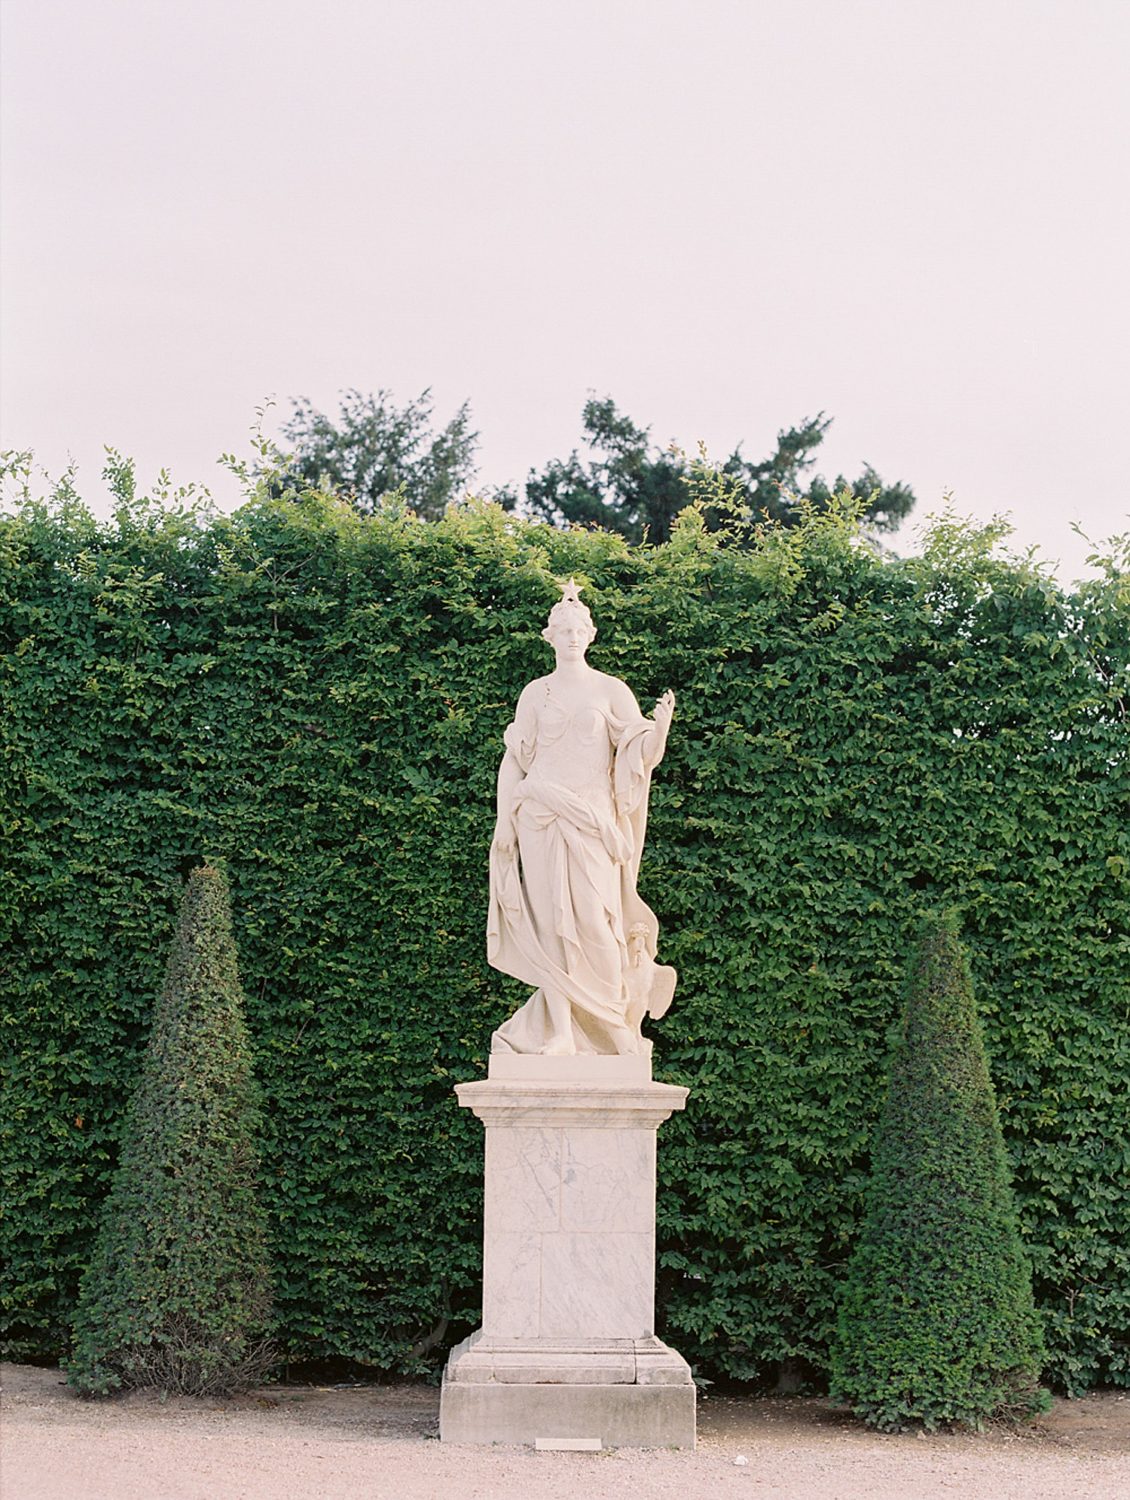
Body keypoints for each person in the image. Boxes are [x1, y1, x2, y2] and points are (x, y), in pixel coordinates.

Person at [487, 581, 677, 1055]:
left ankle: (615, 1027)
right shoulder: (535, 693)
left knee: (596, 921)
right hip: (539, 812)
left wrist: (661, 731)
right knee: (552, 923)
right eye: (563, 629)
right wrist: (504, 822)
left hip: (592, 818)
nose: (572, 636)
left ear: (590, 635)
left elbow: (639, 755)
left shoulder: (611, 689)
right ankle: (561, 1034)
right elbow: (515, 760)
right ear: (549, 636)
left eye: (579, 629)